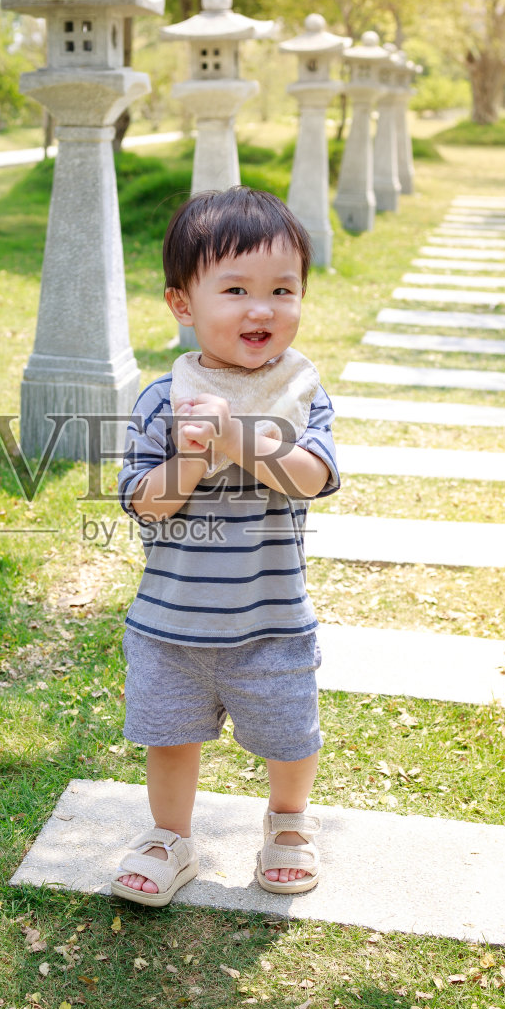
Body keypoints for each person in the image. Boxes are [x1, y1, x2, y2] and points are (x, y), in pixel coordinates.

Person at [111, 187, 340, 908]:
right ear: (184, 305)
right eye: (235, 289)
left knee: (289, 734)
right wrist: (188, 453)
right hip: (171, 621)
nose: (261, 309)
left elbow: (312, 477)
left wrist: (239, 436)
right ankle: (168, 837)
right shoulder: (160, 398)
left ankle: (289, 824)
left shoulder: (300, 391)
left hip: (269, 618)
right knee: (170, 736)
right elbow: (141, 498)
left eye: (282, 289)